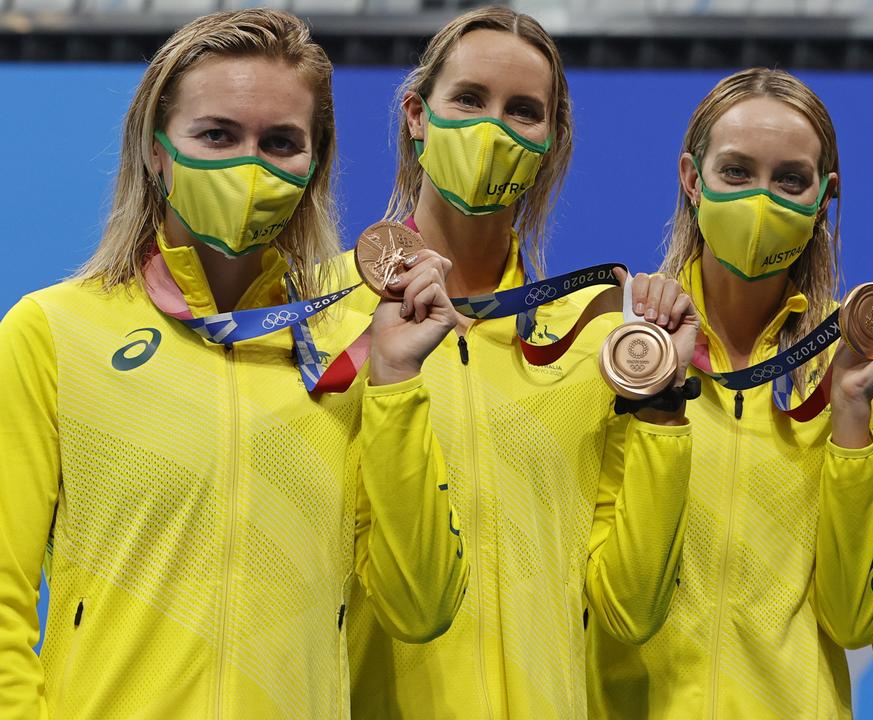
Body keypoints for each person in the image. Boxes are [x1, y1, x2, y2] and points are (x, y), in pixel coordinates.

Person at [0, 10, 467, 719]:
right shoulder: (54, 332)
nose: (249, 163)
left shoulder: (354, 345)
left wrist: (398, 383)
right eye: (216, 134)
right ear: (157, 150)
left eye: (280, 142)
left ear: (313, 166)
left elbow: (422, 606)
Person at [586, 67, 873, 719]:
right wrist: (659, 402)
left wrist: (851, 412)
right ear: (692, 178)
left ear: (825, 196)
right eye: (737, 172)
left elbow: (855, 620)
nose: (762, 200)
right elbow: (621, 608)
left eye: (789, 180)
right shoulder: (621, 346)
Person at [345, 7, 697, 719]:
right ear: (417, 115)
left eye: (523, 112)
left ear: (550, 142)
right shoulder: (329, 319)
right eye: (469, 100)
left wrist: (663, 406)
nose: (493, 130)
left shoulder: (594, 334)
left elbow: (630, 611)